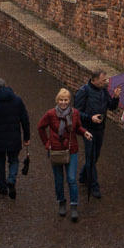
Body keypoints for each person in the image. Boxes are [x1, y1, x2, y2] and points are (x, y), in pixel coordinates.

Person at [37, 87, 87, 221]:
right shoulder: (50, 114)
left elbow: (77, 128)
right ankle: (61, 202)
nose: (63, 102)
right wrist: (47, 143)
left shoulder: (75, 113)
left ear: (69, 101)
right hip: (56, 151)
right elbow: (40, 127)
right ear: (57, 100)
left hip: (71, 150)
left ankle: (74, 205)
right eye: (61, 100)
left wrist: (84, 133)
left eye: (66, 100)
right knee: (59, 179)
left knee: (71, 179)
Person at [0, 79, 31, 199]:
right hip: (14, 136)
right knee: (14, 160)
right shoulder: (18, 101)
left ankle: (3, 187)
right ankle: (11, 179)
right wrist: (26, 137)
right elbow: (25, 120)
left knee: (0, 162)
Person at [74, 69, 113, 200]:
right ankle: (94, 186)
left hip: (100, 128)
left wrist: (117, 97)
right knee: (90, 157)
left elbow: (112, 106)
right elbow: (76, 112)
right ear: (95, 80)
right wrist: (90, 118)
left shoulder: (103, 91)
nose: (106, 82)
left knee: (95, 157)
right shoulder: (83, 92)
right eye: (103, 80)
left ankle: (83, 175)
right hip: (88, 129)